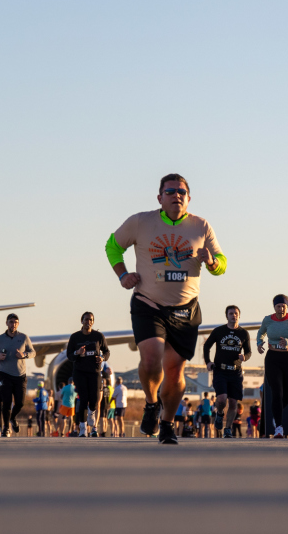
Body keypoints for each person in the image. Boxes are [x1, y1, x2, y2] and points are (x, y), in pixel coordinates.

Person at [106, 174, 228, 445]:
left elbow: (222, 263)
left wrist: (212, 262)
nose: (176, 196)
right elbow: (112, 246)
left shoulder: (201, 226)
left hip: (185, 310)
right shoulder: (141, 222)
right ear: (159, 197)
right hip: (148, 303)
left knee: (174, 372)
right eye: (170, 191)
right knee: (151, 358)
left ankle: (167, 424)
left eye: (181, 192)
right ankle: (151, 402)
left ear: (189, 197)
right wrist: (123, 274)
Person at [257, 294, 288, 438]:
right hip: (273, 358)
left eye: (283, 306)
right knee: (277, 392)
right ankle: (279, 427)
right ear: (274, 307)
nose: (281, 309)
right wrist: (259, 343)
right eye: (278, 306)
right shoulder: (268, 320)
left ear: (287, 306)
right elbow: (261, 333)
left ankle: (276, 414)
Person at [202, 305, 253, 438]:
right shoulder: (219, 331)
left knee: (233, 402)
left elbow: (248, 352)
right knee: (222, 399)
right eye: (231, 313)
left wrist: (245, 357)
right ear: (227, 316)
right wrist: (208, 362)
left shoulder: (243, 333)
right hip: (220, 370)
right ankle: (219, 413)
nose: (233, 315)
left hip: (235, 372)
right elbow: (207, 345)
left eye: (236, 313)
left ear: (239, 315)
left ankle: (228, 429)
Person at [0, 313, 36, 438]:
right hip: (4, 374)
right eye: (11, 322)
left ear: (18, 324)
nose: (13, 324)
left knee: (20, 403)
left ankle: (13, 418)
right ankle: (6, 428)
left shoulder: (24, 337)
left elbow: (33, 352)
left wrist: (24, 355)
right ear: (7, 323)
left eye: (15, 322)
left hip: (20, 375)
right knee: (6, 402)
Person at [66, 311, 110, 437]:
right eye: (86, 319)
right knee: (83, 399)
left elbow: (107, 352)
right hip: (80, 372)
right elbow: (69, 355)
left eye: (90, 320)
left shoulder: (98, 336)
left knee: (95, 399)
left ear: (93, 322)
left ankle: (92, 412)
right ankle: (83, 428)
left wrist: (102, 358)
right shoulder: (75, 337)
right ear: (82, 321)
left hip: (94, 371)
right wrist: (77, 352)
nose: (88, 322)